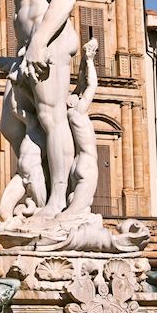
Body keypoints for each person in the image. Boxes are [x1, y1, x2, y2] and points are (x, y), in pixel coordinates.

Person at [0, 0, 81, 220]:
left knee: (52, 117)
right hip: (27, 50)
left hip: (50, 43)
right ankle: (37, 191)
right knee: (11, 122)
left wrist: (39, 44)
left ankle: (58, 200)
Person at [61, 38, 99, 217]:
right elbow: (91, 85)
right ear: (73, 102)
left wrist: (83, 62)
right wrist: (90, 60)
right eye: (75, 95)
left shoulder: (70, 115)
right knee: (73, 213)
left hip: (75, 164)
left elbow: (80, 85)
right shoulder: (80, 112)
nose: (77, 93)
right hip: (87, 162)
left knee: (76, 206)